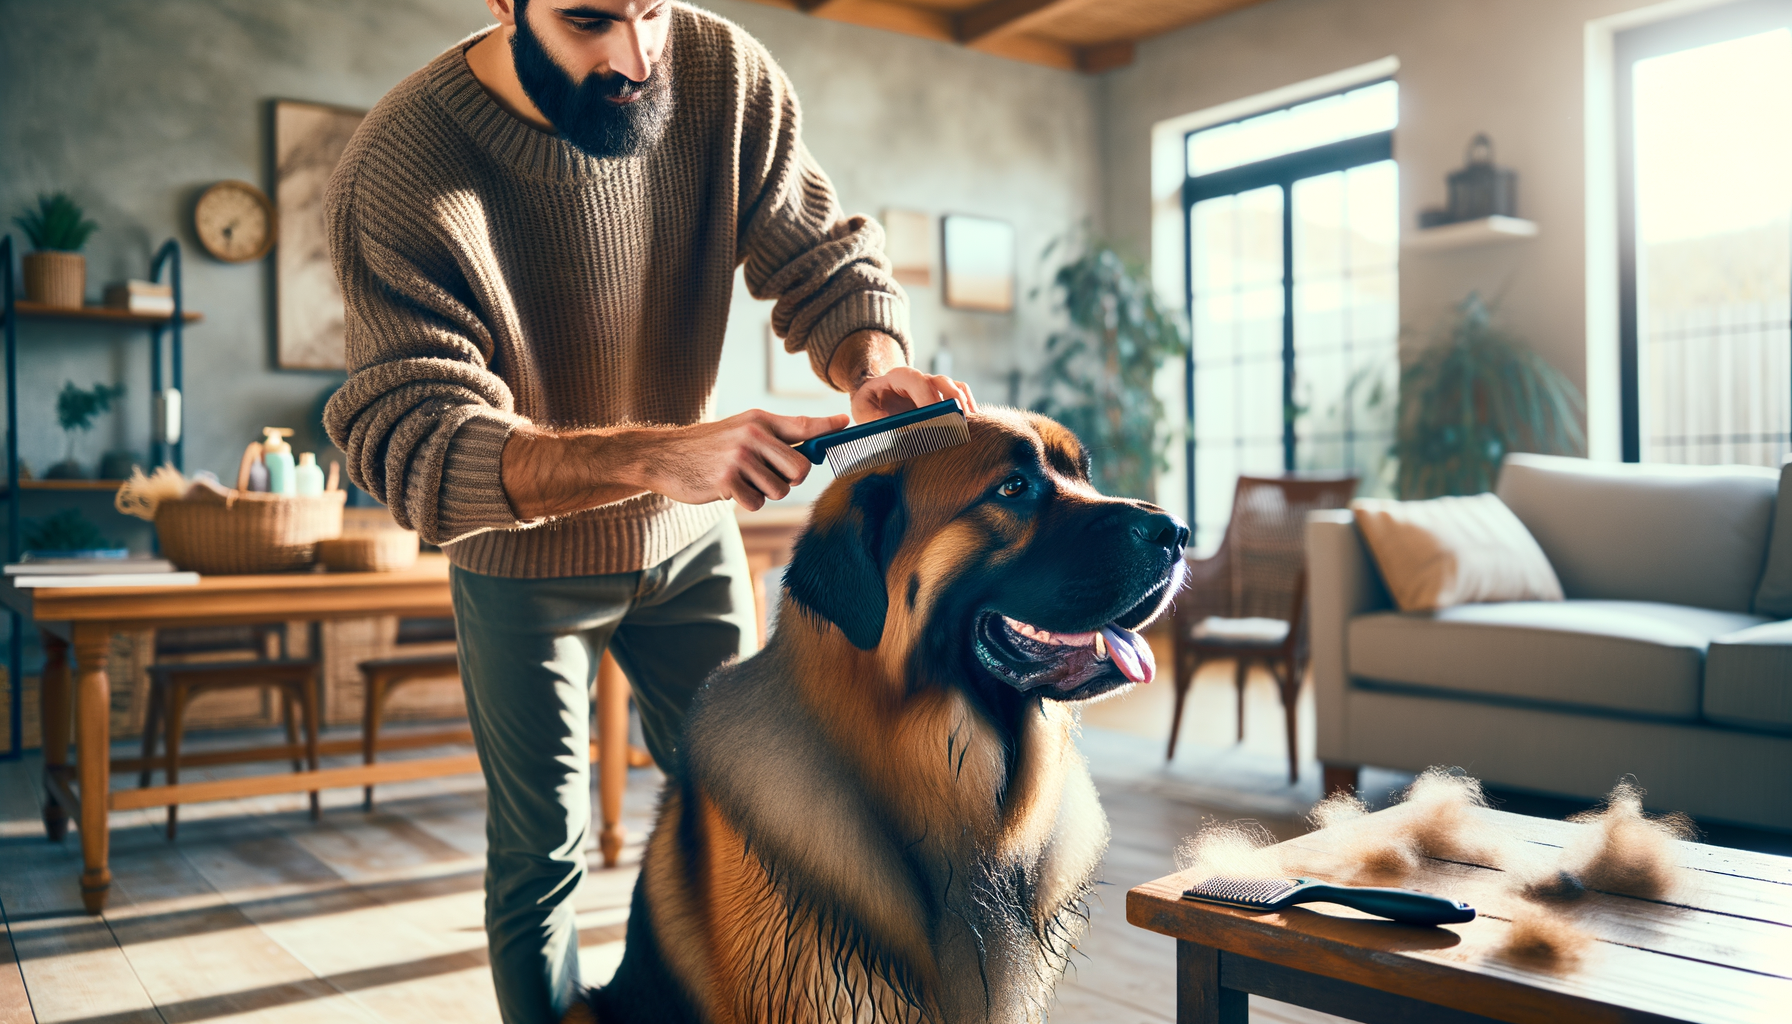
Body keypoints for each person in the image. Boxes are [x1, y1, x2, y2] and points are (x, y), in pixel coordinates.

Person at [322, 2, 977, 1021]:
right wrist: (666, 453)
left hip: (691, 541)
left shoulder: (721, 71)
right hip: (519, 563)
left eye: (652, 11)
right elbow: (423, 443)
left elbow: (817, 255)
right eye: (589, 19)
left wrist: (872, 366)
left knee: (765, 811)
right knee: (541, 854)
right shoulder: (401, 163)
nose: (636, 57)